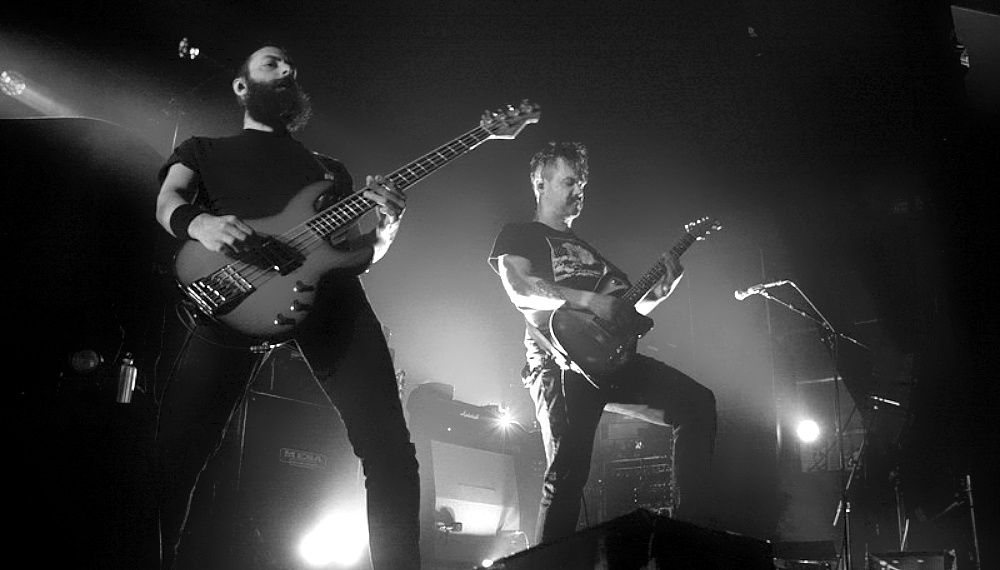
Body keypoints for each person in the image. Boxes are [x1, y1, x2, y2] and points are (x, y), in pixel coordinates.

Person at [153, 45, 419, 569]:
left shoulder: (330, 171)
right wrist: (201, 224)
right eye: (272, 63)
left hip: (331, 302)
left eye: (291, 66)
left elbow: (351, 257)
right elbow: (168, 201)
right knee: (177, 452)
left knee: (389, 448)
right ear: (242, 86)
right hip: (230, 293)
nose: (287, 69)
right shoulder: (202, 149)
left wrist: (386, 230)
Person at [488, 141, 718, 544]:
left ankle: (687, 538)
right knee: (568, 473)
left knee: (697, 404)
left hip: (610, 359)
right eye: (569, 181)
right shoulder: (520, 234)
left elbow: (626, 309)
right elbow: (520, 288)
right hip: (559, 361)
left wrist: (662, 291)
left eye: (582, 184)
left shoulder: (591, 252)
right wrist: (588, 300)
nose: (579, 190)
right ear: (540, 184)